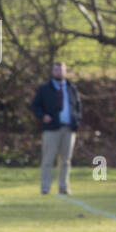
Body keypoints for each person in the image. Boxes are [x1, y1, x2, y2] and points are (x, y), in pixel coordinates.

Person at [30, 61, 82, 195]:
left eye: (61, 70)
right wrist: (43, 116)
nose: (59, 72)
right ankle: (45, 187)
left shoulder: (71, 88)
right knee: (48, 159)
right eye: (56, 70)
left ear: (65, 71)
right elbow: (35, 106)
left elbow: (77, 106)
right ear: (53, 72)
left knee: (65, 160)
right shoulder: (45, 89)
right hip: (51, 129)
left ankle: (64, 187)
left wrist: (76, 121)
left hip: (68, 129)